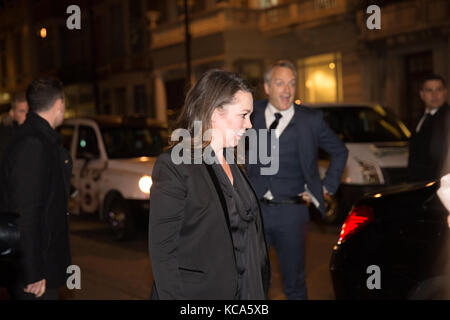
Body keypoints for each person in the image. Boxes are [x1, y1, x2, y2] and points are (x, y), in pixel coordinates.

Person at [148, 69, 270, 300]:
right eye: (244, 115)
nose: (249, 125)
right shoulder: (176, 165)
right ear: (215, 114)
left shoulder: (234, 163)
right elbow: (163, 252)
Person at [246, 60, 348, 300]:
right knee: (254, 281)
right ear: (267, 87)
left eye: (292, 84)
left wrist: (325, 188)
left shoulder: (310, 120)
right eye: (280, 83)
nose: (287, 90)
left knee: (294, 283)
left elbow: (339, 151)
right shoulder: (252, 113)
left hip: (292, 213)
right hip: (255, 211)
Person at [0, 78, 72, 300]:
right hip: (35, 276)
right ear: (59, 103)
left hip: (42, 265)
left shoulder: (41, 139)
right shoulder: (33, 144)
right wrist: (33, 272)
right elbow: (27, 213)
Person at [408, 74, 450, 183]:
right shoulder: (419, 118)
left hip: (440, 184)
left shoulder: (447, 118)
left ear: (445, 92)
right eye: (429, 90)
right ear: (422, 94)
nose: (434, 94)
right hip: (419, 185)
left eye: (438, 90)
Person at [0, 92, 29, 161]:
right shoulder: (5, 135)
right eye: (22, 111)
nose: (26, 115)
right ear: (12, 113)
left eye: (28, 111)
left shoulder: (30, 129)